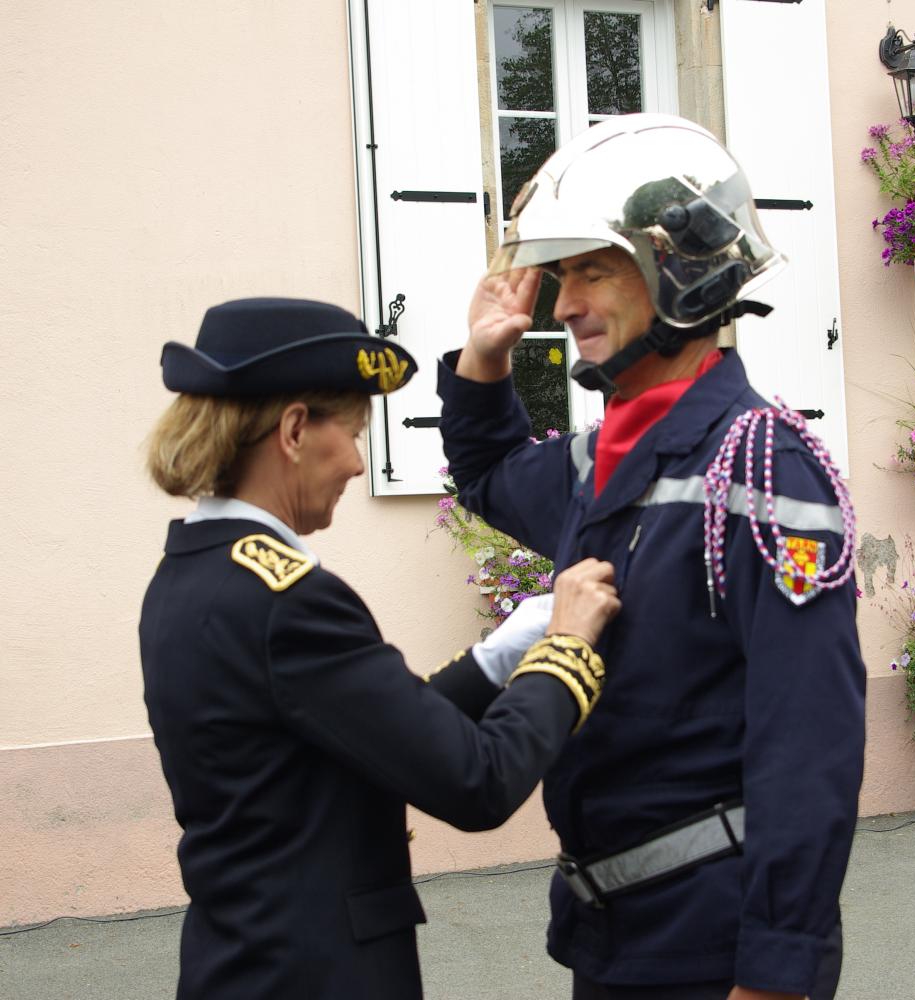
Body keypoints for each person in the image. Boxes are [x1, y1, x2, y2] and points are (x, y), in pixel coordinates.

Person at [437, 115, 866, 1000]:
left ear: (680, 270)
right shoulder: (599, 461)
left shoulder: (763, 465)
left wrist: (779, 972)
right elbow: (485, 476)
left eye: (592, 271)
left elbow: (808, 741)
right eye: (559, 279)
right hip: (612, 940)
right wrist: (484, 361)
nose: (563, 307)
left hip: (710, 950)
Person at [139, 296, 621, 1000]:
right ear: (296, 430)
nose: (359, 466)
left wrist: (507, 649)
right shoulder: (289, 600)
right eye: (355, 434)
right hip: (316, 974)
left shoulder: (190, 572)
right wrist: (568, 649)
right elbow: (475, 781)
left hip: (241, 963)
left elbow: (358, 731)